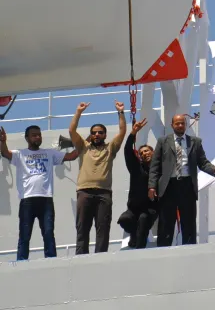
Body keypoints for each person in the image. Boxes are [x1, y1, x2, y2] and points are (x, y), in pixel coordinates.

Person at [0, 124, 78, 260]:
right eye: (34, 135)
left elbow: (71, 156)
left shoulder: (50, 153)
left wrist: (83, 143)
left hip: (46, 200)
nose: (38, 137)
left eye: (39, 134)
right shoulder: (20, 154)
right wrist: (2, 142)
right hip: (27, 200)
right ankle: (22, 262)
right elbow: (5, 153)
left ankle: (52, 260)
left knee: (48, 233)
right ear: (27, 138)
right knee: (24, 235)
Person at [149, 113, 215, 247]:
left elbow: (203, 162)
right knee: (166, 221)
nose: (180, 125)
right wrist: (152, 186)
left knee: (188, 221)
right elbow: (155, 165)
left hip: (187, 185)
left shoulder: (195, 142)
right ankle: (163, 250)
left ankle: (190, 250)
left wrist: (214, 170)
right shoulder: (163, 141)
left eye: (182, 123)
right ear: (172, 125)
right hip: (168, 186)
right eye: (177, 123)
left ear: (186, 125)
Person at [69, 100, 125, 254]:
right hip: (84, 192)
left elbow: (122, 132)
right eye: (94, 133)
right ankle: (81, 258)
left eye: (100, 132)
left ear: (105, 134)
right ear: (91, 135)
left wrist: (120, 112)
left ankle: (100, 259)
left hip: (104, 193)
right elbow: (72, 131)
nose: (97, 134)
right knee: (82, 228)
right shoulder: (83, 147)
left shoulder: (110, 148)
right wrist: (78, 112)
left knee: (103, 229)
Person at [118, 118, 158, 248]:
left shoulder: (160, 168)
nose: (144, 153)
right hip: (134, 209)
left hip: (151, 209)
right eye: (141, 153)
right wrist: (133, 133)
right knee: (124, 219)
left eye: (147, 151)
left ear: (153, 152)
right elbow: (128, 152)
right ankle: (134, 234)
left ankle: (139, 249)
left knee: (143, 219)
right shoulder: (136, 168)